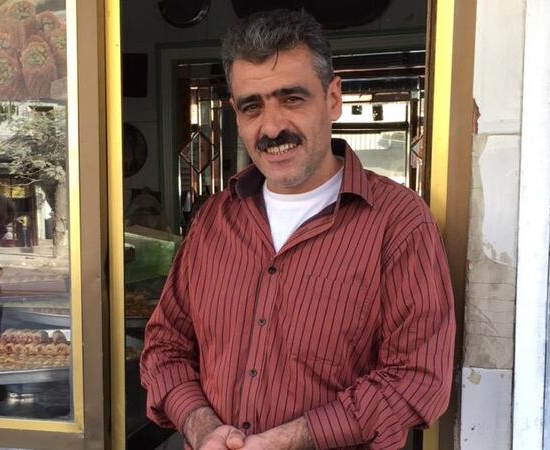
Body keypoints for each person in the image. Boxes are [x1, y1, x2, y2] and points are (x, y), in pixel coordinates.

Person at [140, 9, 455, 450]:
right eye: (252, 106)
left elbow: (417, 379)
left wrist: (291, 439)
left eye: (292, 98)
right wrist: (202, 428)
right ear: (235, 112)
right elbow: (165, 347)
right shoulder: (213, 220)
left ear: (332, 98)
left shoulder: (398, 223)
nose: (272, 127)